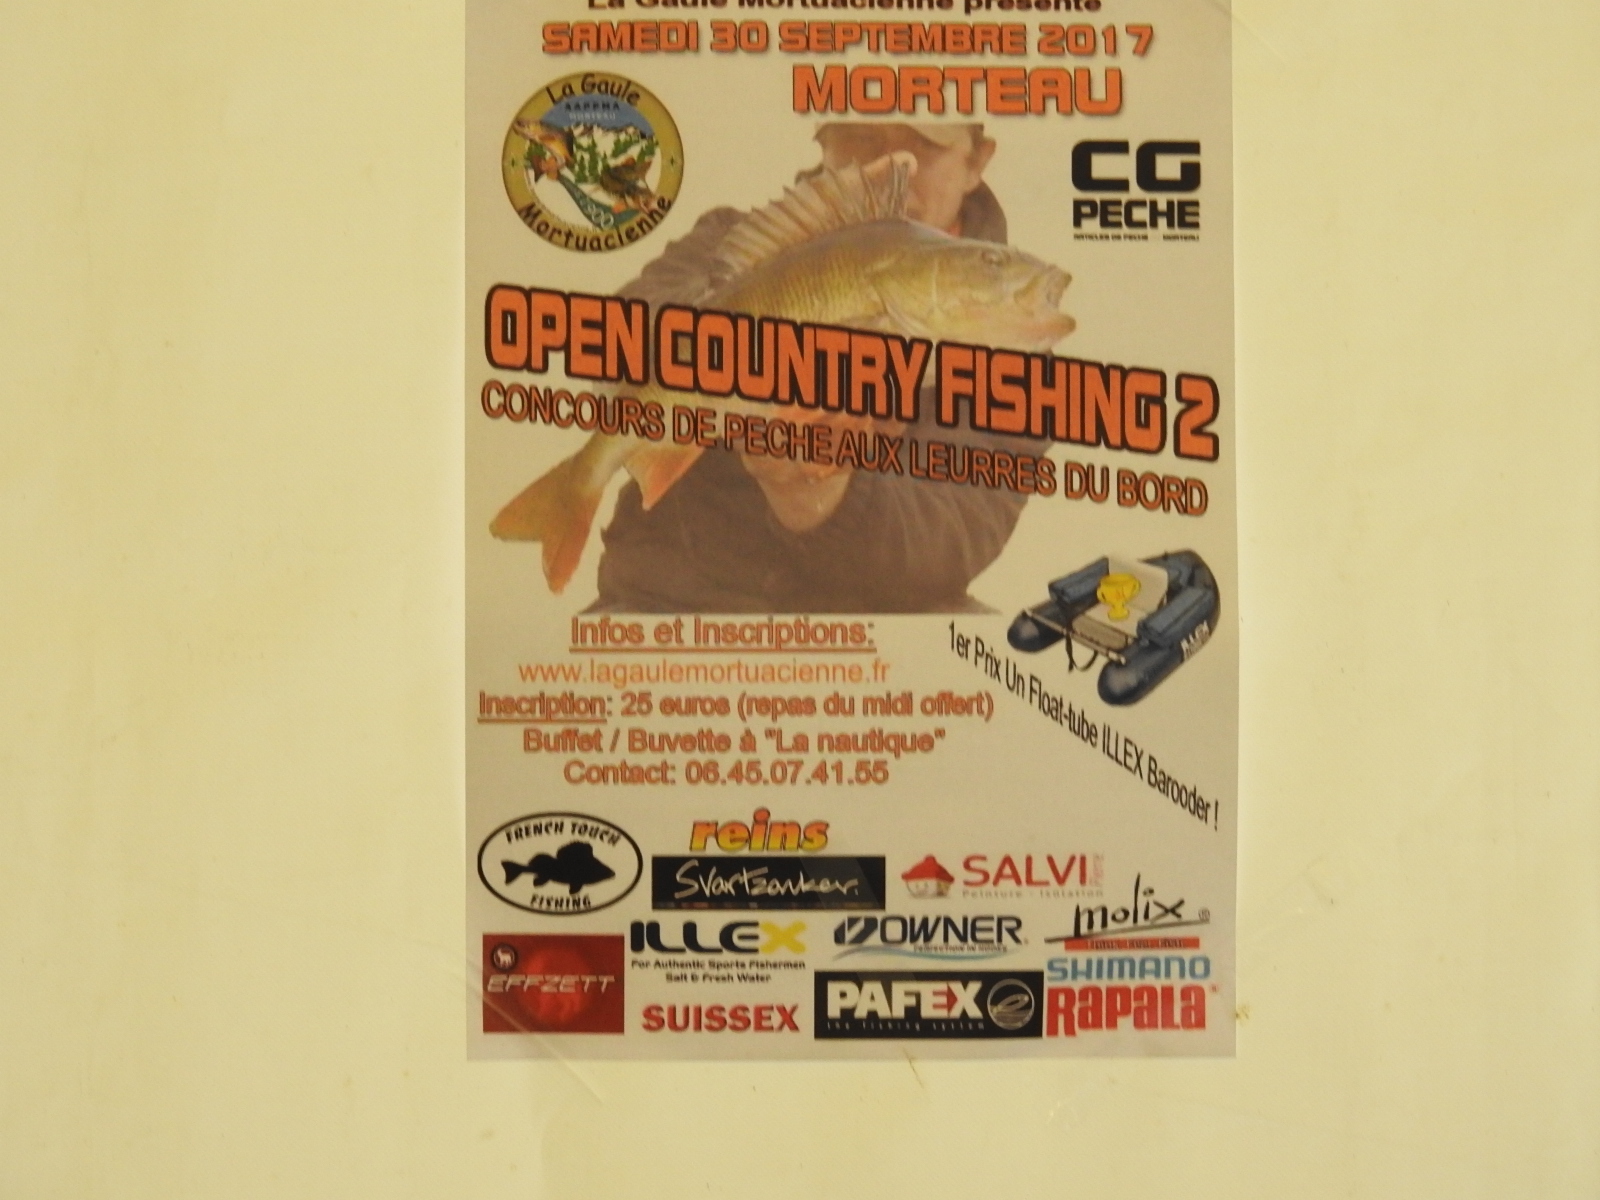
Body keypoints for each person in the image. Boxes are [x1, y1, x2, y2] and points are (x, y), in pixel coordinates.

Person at [592, 122, 1025, 613]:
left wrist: (819, 494)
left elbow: (948, 541)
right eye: (862, 137)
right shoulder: (725, 242)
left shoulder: (1009, 336)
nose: (895, 164)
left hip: (876, 617)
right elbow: (615, 350)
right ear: (823, 144)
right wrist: (739, 315)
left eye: (926, 144)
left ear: (976, 161)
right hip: (672, 601)